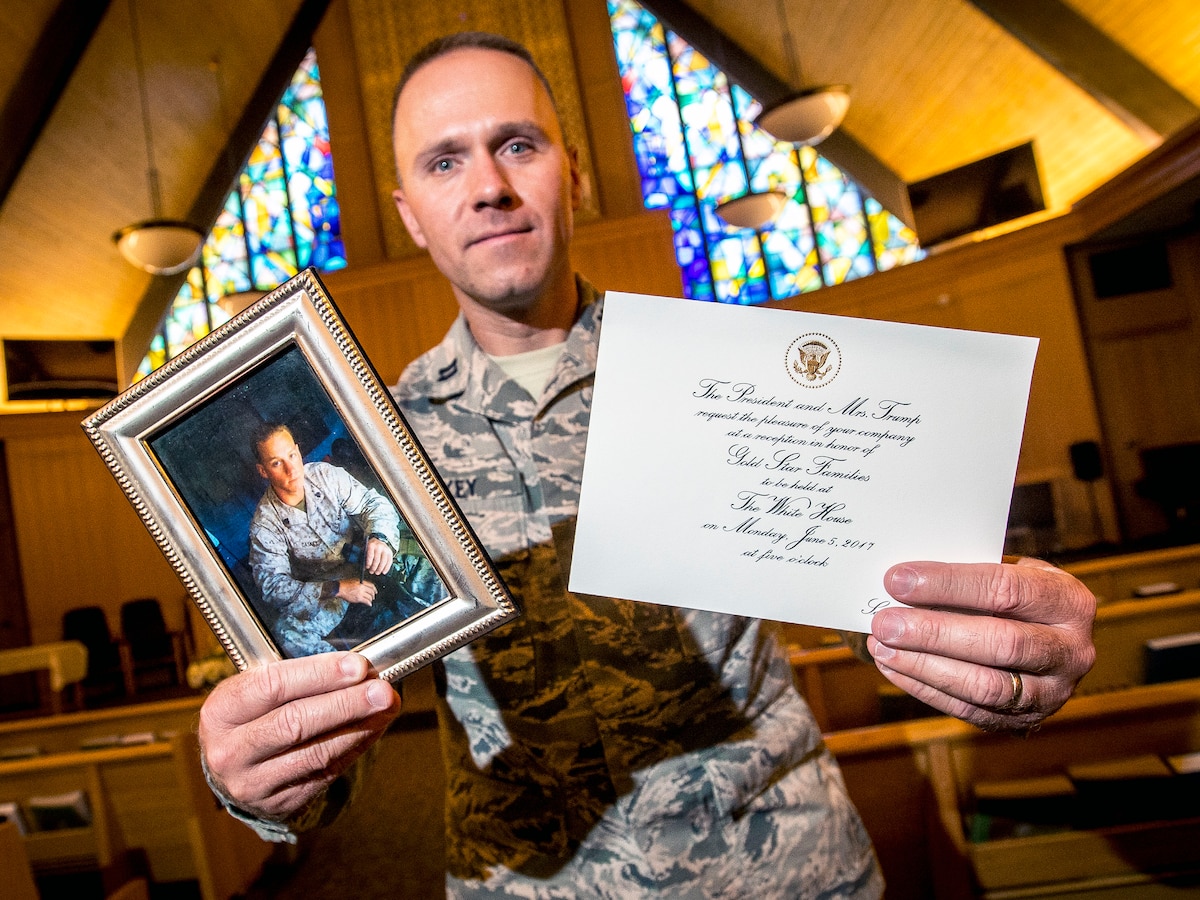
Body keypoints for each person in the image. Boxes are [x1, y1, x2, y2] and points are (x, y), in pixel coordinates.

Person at [199, 33, 1097, 897]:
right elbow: (332, 722)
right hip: (534, 885)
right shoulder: (378, 447)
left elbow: (902, 598)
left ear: (575, 174)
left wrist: (1009, 647)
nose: (489, 188)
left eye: (517, 143)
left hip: (779, 873)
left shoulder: (729, 378)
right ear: (409, 218)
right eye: (444, 162)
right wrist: (260, 776)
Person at [248, 422, 444, 656]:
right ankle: (354, 674)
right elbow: (273, 586)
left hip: (368, 552)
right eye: (277, 463)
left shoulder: (325, 475)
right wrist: (336, 588)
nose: (291, 469)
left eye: (292, 455)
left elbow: (373, 504)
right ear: (263, 471)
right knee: (288, 638)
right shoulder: (265, 523)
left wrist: (380, 538)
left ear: (298, 451)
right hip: (329, 582)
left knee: (442, 579)